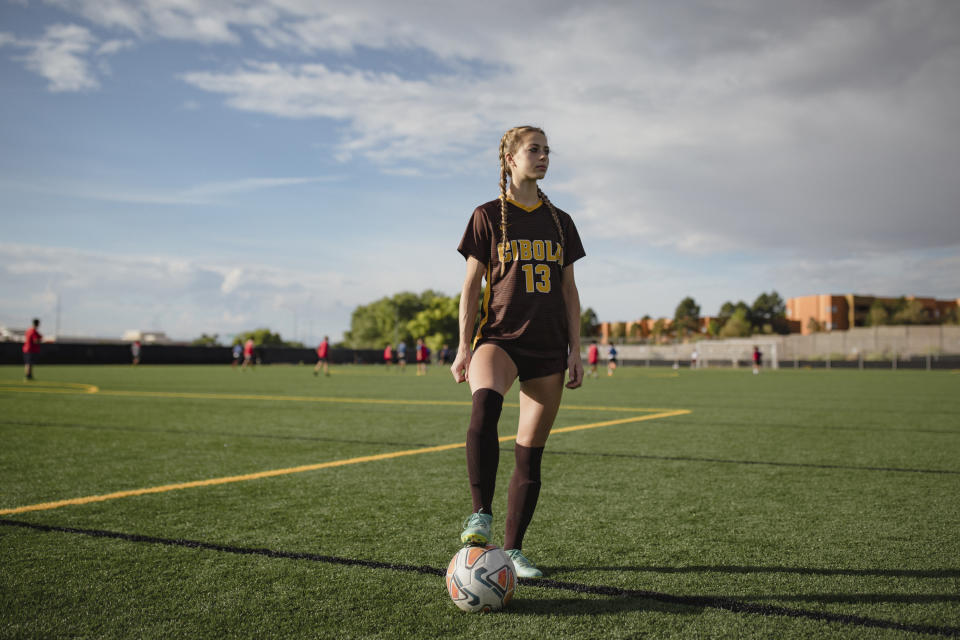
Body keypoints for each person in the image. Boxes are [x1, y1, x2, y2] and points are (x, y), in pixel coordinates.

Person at [450, 125, 586, 579]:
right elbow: (471, 288)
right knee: (485, 405)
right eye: (534, 149)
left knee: (530, 453)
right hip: (501, 338)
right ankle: (479, 515)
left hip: (549, 346)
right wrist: (463, 346)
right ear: (509, 158)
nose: (543, 157)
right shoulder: (487, 215)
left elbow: (569, 291)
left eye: (547, 150)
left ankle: (513, 551)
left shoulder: (561, 221)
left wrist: (576, 349)